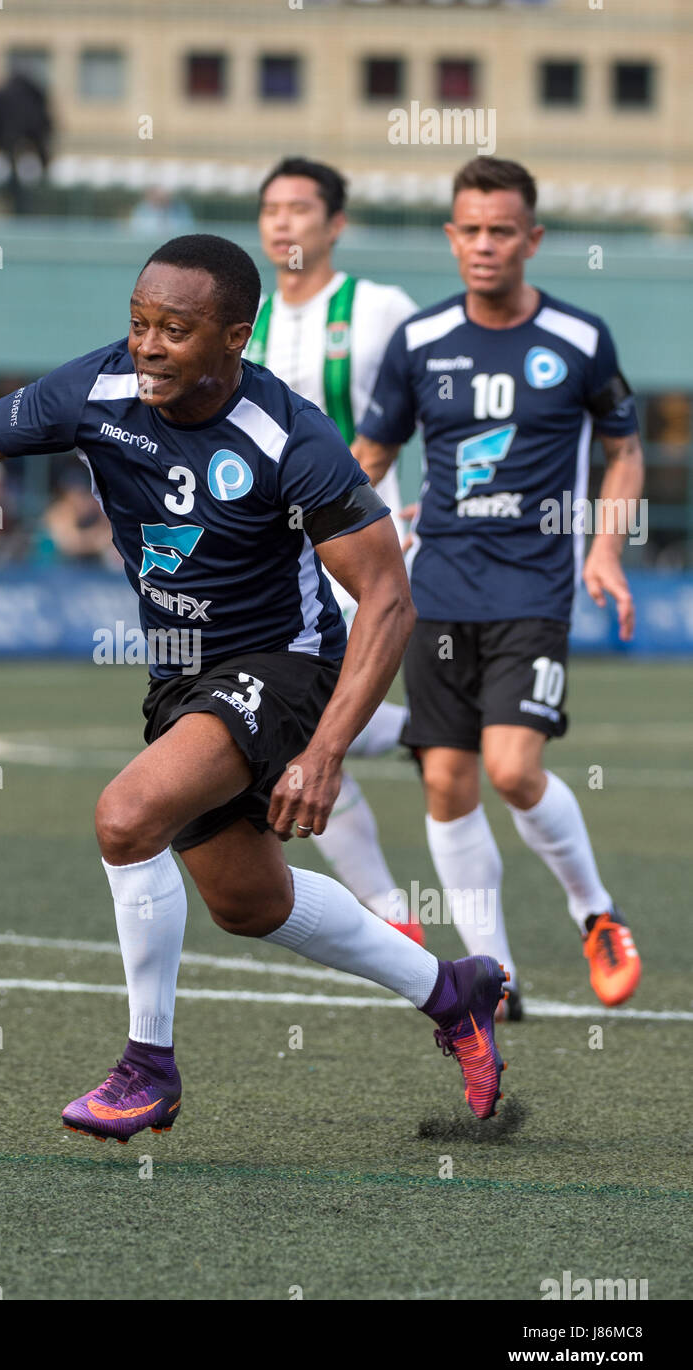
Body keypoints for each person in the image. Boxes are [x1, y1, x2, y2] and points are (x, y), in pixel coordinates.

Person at [0, 234, 511, 1138]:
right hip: (180, 677)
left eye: (175, 330)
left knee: (126, 815)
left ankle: (148, 1069)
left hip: (284, 667)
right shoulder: (96, 389)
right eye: (139, 323)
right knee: (250, 902)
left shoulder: (287, 435)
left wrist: (328, 749)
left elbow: (387, 597)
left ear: (235, 337)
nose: (147, 345)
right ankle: (454, 993)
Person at [352, 157, 644, 1018]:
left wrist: (605, 549)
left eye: (502, 231)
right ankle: (495, 975)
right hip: (434, 591)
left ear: (533, 239)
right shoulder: (419, 343)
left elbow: (625, 448)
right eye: (470, 230)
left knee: (513, 769)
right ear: (452, 238)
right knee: (446, 778)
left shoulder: (581, 341)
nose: (485, 245)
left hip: (532, 591)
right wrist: (351, 534)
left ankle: (594, 911)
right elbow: (371, 457)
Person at [251, 157, 422, 941]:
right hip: (270, 556)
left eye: (300, 208)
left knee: (314, 717)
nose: (283, 222)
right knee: (315, 733)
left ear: (335, 223)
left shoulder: (377, 307)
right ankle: (393, 913)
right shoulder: (242, 318)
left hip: (361, 543)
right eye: (271, 209)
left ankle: (390, 914)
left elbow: (433, 396)